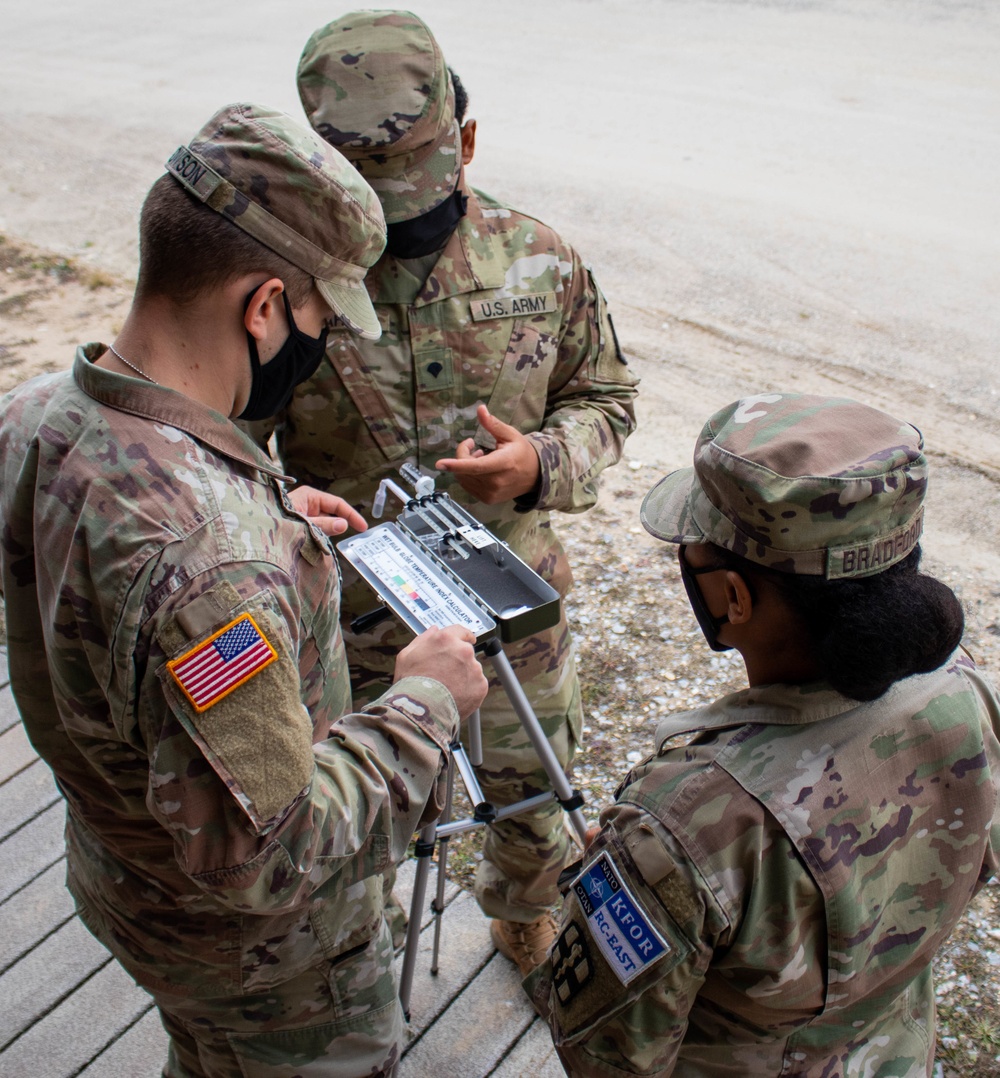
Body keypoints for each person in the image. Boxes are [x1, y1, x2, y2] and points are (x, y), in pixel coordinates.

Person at [0, 102, 488, 1078]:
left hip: (126, 880)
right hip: (264, 972)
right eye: (316, 320)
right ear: (262, 307)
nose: (316, 345)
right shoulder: (212, 571)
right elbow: (273, 852)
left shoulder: (34, 418)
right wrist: (426, 699)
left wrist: (257, 504)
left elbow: (108, 563)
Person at [253, 9, 639, 974]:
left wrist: (544, 462)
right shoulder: (280, 283)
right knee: (354, 812)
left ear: (466, 140)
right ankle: (361, 949)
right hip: (349, 624)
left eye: (415, 199)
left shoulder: (540, 259)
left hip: (514, 608)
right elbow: (221, 440)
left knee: (533, 789)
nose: (391, 230)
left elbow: (606, 396)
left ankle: (521, 912)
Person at [526, 392, 1000, 1076]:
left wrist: (639, 871)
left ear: (733, 598)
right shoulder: (969, 689)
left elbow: (608, 1056)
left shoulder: (686, 822)